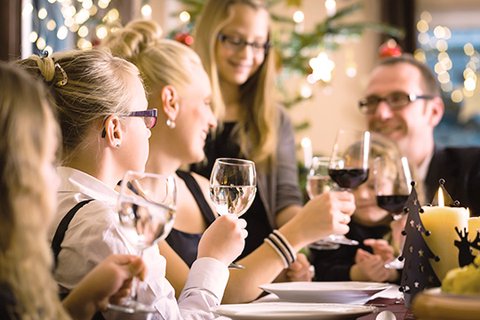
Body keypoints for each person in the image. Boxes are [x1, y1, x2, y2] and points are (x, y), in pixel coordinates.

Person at [103, 19, 356, 303]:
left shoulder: (201, 188)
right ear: (171, 102)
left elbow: (237, 276)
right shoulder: (124, 204)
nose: (213, 121)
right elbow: (215, 294)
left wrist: (280, 272)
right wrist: (295, 235)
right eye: (207, 103)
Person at [16, 49, 247, 319]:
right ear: (115, 130)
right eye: (147, 117)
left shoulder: (38, 203)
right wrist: (213, 260)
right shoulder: (108, 225)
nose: (150, 129)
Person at [0, 61, 146, 320]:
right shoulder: (104, 221)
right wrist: (211, 263)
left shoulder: (17, 256)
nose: (57, 180)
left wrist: (84, 299)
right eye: (46, 160)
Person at [359, 54, 480, 216]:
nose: (382, 113)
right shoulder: (355, 188)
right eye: (372, 101)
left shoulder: (473, 171)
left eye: (398, 98)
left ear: (434, 112)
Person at [310, 135, 404, 283]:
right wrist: (355, 273)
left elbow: (429, 276)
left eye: (374, 186)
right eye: (353, 185)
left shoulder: (407, 229)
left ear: (397, 187)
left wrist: (392, 273)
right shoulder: (336, 229)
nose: (363, 195)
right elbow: (319, 270)